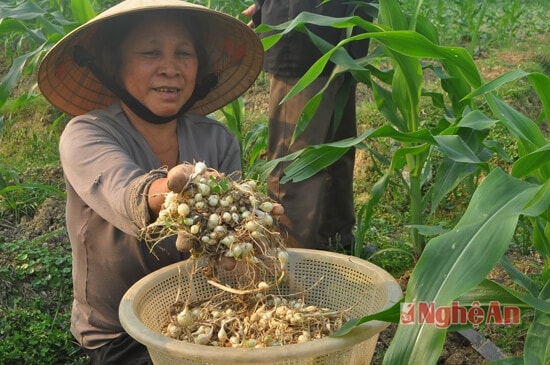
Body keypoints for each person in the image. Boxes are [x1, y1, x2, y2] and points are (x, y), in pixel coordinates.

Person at [36, 1, 270, 363]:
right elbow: (126, 195)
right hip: (119, 331)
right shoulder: (86, 134)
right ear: (114, 65)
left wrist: (250, 230)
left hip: (202, 316)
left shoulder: (218, 140)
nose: (171, 68)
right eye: (150, 53)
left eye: (184, 54)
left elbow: (228, 241)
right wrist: (180, 192)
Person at [243, 1, 372, 251]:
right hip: (303, 32)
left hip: (347, 32)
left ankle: (337, 241)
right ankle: (290, 261)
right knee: (296, 165)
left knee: (339, 150)